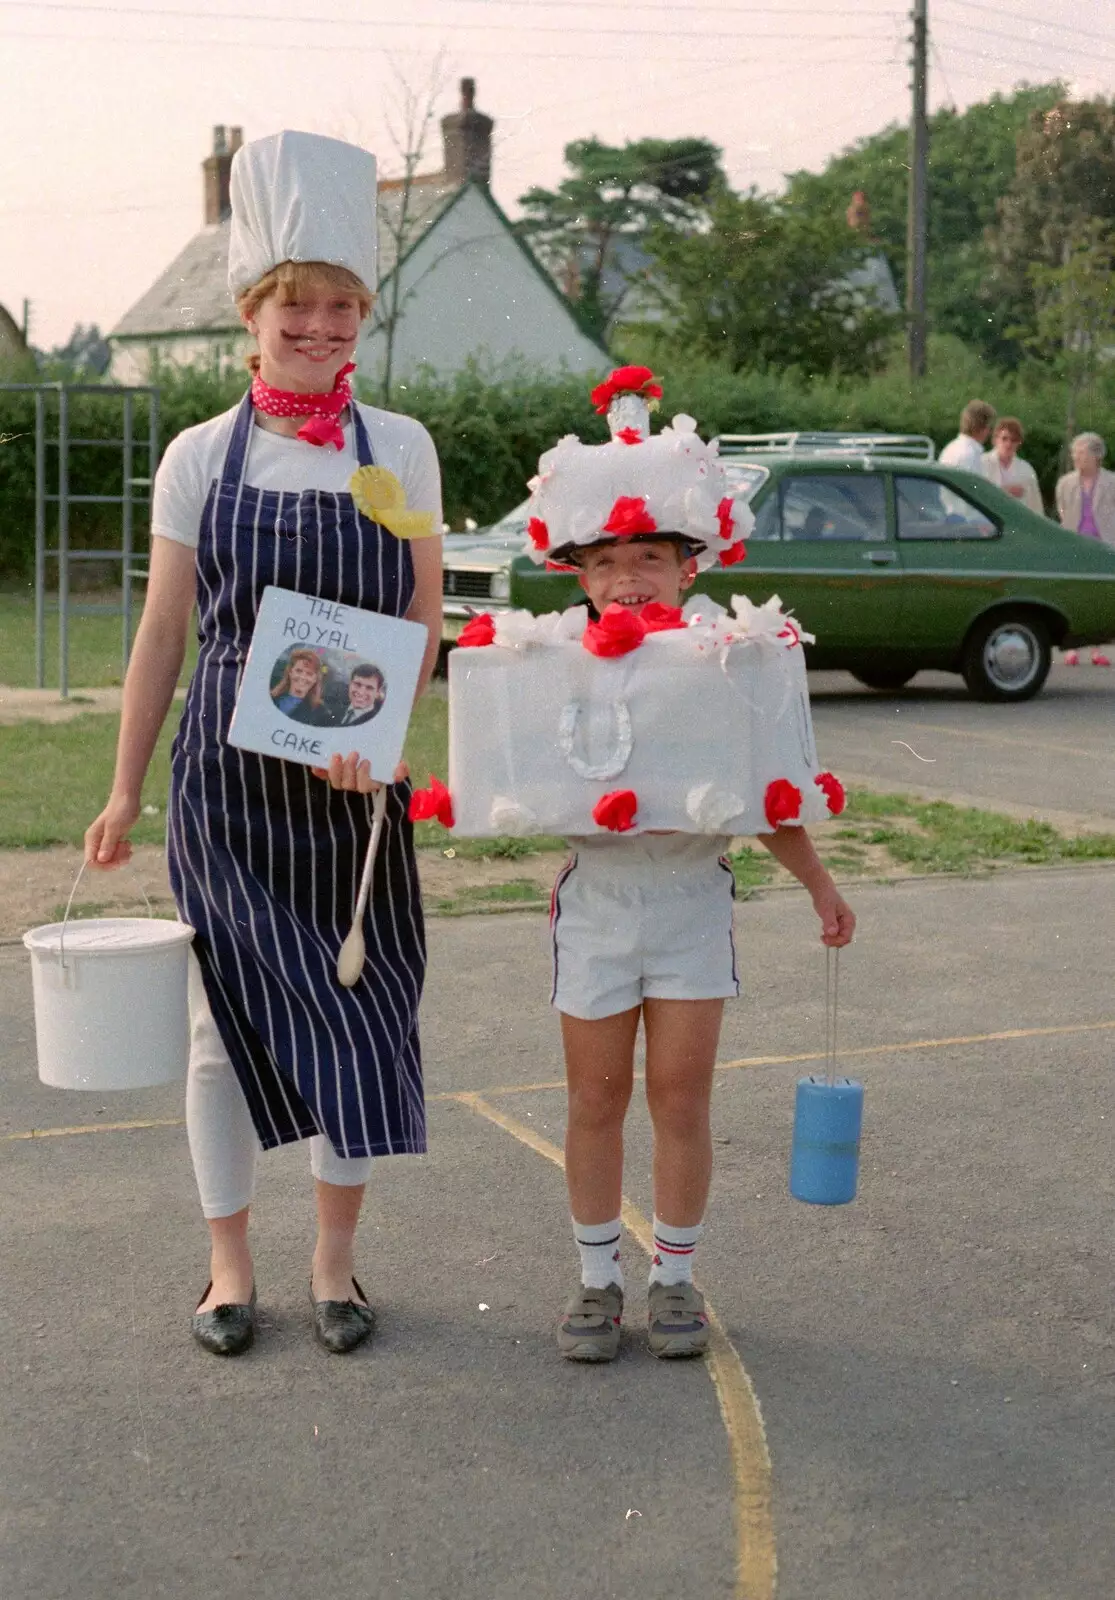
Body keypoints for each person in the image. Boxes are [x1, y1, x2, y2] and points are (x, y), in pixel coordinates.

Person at [84, 131, 443, 1357]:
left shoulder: (399, 448)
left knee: (363, 1012)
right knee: (220, 1030)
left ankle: (334, 1267)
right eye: (300, 307)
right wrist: (125, 789)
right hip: (226, 791)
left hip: (351, 790)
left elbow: (419, 615)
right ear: (254, 311)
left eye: (344, 307)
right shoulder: (198, 455)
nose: (324, 328)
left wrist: (375, 734)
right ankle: (228, 1267)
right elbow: (163, 630)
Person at [521, 369, 856, 1362]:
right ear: (578, 574)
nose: (628, 575)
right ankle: (593, 1280)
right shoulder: (554, 665)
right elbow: (531, 775)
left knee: (678, 1096)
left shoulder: (723, 662)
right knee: (593, 1099)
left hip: (687, 906)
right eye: (608, 559)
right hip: (597, 908)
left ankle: (672, 1276)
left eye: (649, 557)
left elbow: (763, 794)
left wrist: (819, 886)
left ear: (688, 567)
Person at [1056, 432, 1115, 667]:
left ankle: (1096, 649)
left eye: (1081, 453)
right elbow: (1062, 511)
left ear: (1096, 455)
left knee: (1100, 597)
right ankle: (1072, 650)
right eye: (1074, 453)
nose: (1076, 458)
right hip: (1074, 544)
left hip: (1103, 546)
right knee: (1073, 597)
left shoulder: (1112, 482)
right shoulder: (1065, 483)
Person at [980, 417, 1043, 514]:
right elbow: (976, 494)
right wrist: (1005, 491)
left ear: (1019, 443)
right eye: (1004, 438)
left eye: (1013, 440)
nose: (1008, 444)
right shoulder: (982, 463)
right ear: (995, 439)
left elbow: (1036, 507)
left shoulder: (1026, 470)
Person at [270, 647, 333, 725]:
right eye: (298, 671)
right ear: (290, 672)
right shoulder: (271, 698)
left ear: (315, 679)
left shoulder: (321, 713)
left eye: (309, 674)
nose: (303, 677)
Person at [939, 399, 996, 471]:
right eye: (990, 427)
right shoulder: (971, 456)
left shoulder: (950, 448)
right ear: (983, 427)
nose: (990, 431)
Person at [337, 663, 386, 727]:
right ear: (350, 684)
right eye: (357, 684)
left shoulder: (377, 723)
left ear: (377, 693)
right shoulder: (335, 708)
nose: (361, 692)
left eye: (369, 688)